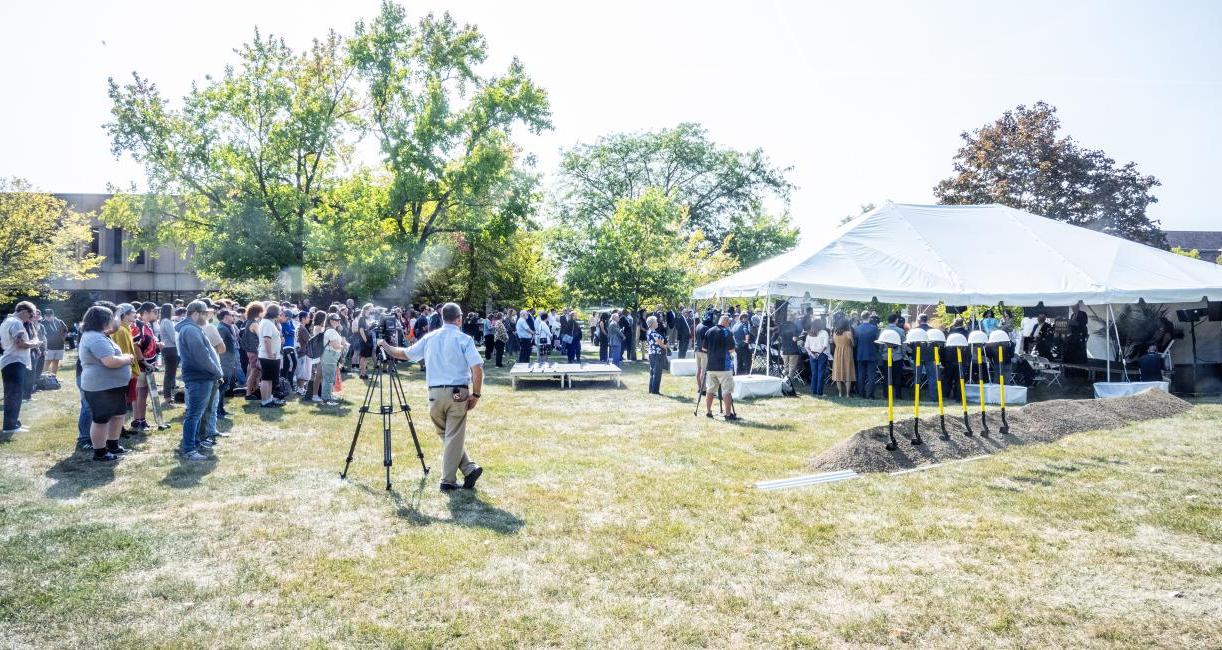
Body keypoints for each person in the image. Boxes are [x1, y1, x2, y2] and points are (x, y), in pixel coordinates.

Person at [379, 302, 484, 492]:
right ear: (459, 318)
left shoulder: (430, 338)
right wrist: (476, 393)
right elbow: (477, 368)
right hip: (458, 392)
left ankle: (469, 468)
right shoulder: (464, 339)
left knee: (448, 436)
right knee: (452, 436)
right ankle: (448, 480)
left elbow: (404, 354)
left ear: (442, 317)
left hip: (434, 393)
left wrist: (384, 345)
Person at [78, 305, 133, 461]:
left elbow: (114, 328)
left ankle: (113, 445)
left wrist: (117, 314)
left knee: (118, 415)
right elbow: (109, 361)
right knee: (101, 419)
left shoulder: (98, 334)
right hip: (101, 387)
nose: (112, 320)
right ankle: (100, 452)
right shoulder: (94, 338)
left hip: (112, 386)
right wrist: (127, 358)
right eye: (110, 317)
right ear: (102, 320)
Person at [177, 300, 222, 460]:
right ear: (196, 313)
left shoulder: (193, 328)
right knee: (194, 414)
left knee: (197, 413)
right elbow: (202, 356)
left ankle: (195, 442)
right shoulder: (190, 330)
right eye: (205, 313)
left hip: (202, 377)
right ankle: (189, 449)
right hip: (199, 377)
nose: (207, 316)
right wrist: (217, 372)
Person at [1, 302, 40, 434]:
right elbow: (20, 344)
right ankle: (10, 426)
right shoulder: (17, 323)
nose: (30, 318)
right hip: (15, 361)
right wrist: (35, 343)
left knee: (12, 394)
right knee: (14, 395)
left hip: (10, 361)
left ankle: (13, 423)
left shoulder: (7, 321)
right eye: (30, 315)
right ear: (23, 311)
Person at [701, 315, 738, 420]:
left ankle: (708, 412)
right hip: (724, 367)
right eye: (729, 322)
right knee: (727, 391)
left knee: (710, 390)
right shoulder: (727, 332)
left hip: (711, 366)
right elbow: (731, 350)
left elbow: (704, 348)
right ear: (726, 322)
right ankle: (728, 414)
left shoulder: (709, 331)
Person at [257, 303, 285, 407]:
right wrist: (269, 354)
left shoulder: (269, 322)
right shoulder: (267, 323)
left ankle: (269, 399)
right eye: (279, 312)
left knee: (270, 379)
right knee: (266, 378)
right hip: (268, 355)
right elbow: (266, 339)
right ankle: (265, 401)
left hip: (272, 355)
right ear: (274, 313)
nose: (280, 314)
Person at [216, 308, 241, 419]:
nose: (234, 317)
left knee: (225, 386)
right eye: (232, 315)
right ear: (226, 316)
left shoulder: (228, 327)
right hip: (224, 362)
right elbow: (217, 345)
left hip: (229, 361)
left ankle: (221, 409)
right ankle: (218, 411)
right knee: (221, 387)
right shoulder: (222, 328)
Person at [319, 313, 347, 406]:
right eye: (335, 320)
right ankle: (326, 400)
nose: (338, 321)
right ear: (330, 321)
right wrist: (344, 346)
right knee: (328, 378)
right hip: (330, 355)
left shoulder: (332, 330)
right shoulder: (331, 331)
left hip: (331, 355)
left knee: (329, 378)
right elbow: (335, 345)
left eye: (339, 320)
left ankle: (328, 396)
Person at [853, 312, 881, 399]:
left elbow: (855, 343)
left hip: (860, 354)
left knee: (861, 375)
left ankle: (861, 393)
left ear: (861, 318)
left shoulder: (857, 329)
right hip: (871, 354)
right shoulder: (874, 328)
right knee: (871, 376)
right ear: (869, 317)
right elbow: (878, 342)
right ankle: (870, 394)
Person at [158, 304, 179, 408]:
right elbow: (173, 337)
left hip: (168, 349)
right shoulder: (167, 321)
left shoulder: (163, 321)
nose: (174, 310)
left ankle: (168, 396)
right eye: (173, 308)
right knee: (170, 374)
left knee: (169, 374)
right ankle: (167, 397)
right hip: (171, 349)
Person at [242, 302, 264, 399]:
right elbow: (261, 337)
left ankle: (253, 391)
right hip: (254, 351)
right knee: (254, 371)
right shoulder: (254, 324)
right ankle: (248, 393)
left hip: (250, 350)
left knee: (255, 371)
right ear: (257, 312)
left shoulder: (248, 322)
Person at [804, 318, 830, 396]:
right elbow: (825, 345)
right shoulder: (824, 332)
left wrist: (811, 354)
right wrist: (819, 353)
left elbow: (806, 346)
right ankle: (819, 392)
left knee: (814, 373)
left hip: (812, 354)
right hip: (822, 354)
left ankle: (814, 391)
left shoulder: (809, 333)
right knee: (820, 373)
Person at [831, 320, 856, 397]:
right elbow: (853, 344)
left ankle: (840, 393)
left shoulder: (835, 333)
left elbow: (834, 343)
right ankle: (848, 394)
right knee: (848, 372)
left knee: (838, 372)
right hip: (847, 353)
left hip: (838, 353)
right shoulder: (848, 333)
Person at [41, 308, 66, 376]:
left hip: (59, 346)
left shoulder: (59, 321)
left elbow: (65, 330)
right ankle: (43, 378)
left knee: (56, 363)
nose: (48, 317)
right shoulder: (42, 323)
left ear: (53, 315)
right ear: (44, 316)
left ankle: (53, 378)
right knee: (47, 363)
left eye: (50, 315)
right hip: (49, 347)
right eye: (47, 316)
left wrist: (63, 339)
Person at [645, 316, 666, 395]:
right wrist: (665, 347)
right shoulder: (653, 333)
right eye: (656, 322)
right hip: (657, 354)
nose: (657, 323)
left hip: (652, 353)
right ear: (652, 323)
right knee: (657, 372)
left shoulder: (649, 331)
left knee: (652, 372)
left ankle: (651, 389)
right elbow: (660, 343)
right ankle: (655, 391)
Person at [779, 314, 803, 382]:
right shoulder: (794, 326)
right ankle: (788, 382)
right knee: (792, 368)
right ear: (793, 318)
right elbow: (795, 339)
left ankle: (782, 380)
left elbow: (780, 337)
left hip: (784, 349)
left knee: (786, 367)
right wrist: (800, 338)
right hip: (793, 350)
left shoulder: (782, 326)